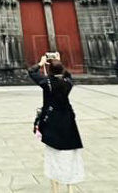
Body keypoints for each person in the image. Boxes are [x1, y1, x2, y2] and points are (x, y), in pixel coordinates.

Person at [28, 55, 85, 192]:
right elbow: (68, 75)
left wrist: (41, 63)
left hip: (52, 123)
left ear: (50, 70)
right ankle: (70, 189)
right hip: (68, 122)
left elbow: (31, 71)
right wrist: (59, 61)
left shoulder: (46, 83)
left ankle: (55, 189)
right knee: (70, 156)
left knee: (53, 155)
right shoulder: (68, 83)